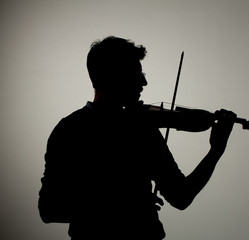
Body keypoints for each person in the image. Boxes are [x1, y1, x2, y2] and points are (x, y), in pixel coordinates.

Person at [38, 36, 236, 240]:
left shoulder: (143, 128)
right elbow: (49, 209)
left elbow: (181, 196)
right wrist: (123, 203)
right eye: (136, 72)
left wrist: (215, 150)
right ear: (113, 75)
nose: (144, 81)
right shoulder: (70, 130)